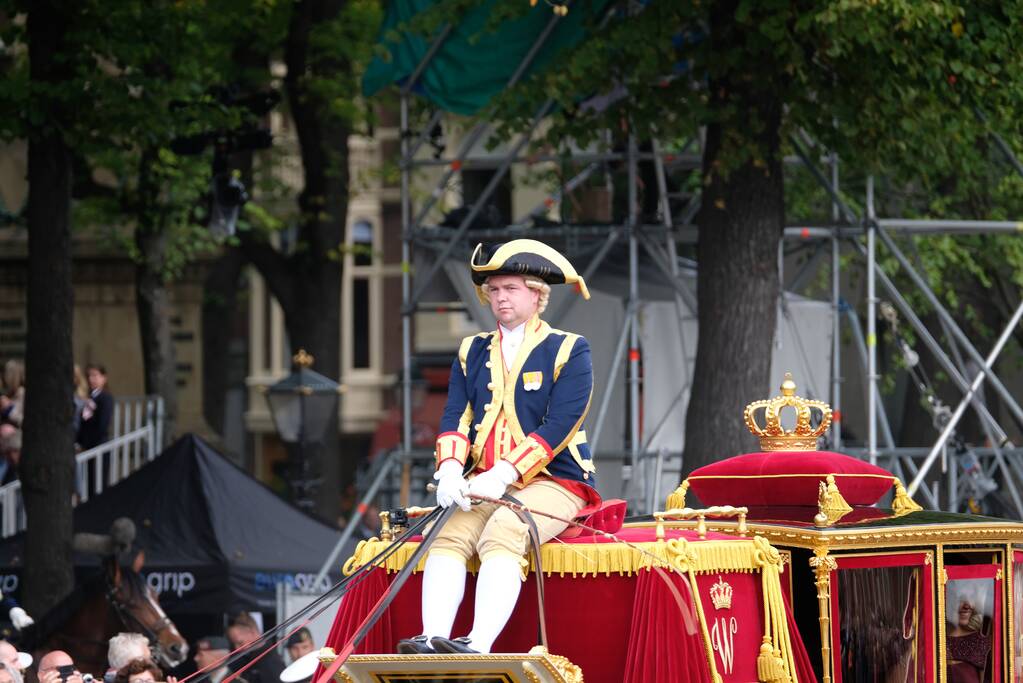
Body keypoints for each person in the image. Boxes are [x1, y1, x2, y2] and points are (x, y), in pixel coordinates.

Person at [398, 239, 600, 655]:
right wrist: (451, 470)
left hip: (556, 480)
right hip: (482, 481)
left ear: (536, 293)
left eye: (510, 288)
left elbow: (560, 424)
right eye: (493, 290)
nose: (500, 297)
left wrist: (504, 474)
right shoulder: (471, 349)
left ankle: (477, 642)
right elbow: (456, 415)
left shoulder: (569, 348)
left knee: (506, 531)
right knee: (446, 532)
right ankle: (432, 637)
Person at [946, 590, 992, 683]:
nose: (967, 606)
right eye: (960, 599)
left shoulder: (981, 642)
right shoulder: (934, 640)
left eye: (971, 598)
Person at [225, 613, 284, 683]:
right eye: (233, 643)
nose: (236, 647)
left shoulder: (270, 661)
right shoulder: (248, 659)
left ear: (252, 632)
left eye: (240, 642)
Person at [77, 364, 113, 451]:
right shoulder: (88, 396)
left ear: (104, 378)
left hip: (98, 446)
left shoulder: (105, 397)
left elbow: (102, 424)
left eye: (95, 375)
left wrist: (88, 442)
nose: (90, 379)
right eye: (88, 376)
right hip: (86, 445)